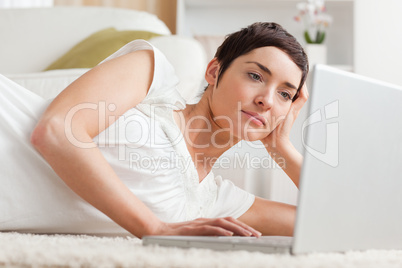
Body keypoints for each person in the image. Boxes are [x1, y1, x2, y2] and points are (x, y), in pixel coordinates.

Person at [0, 22, 308, 238]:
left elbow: (333, 224)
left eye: (285, 94)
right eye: (255, 75)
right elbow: (55, 131)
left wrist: (281, 147)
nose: (266, 100)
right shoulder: (152, 75)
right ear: (215, 71)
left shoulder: (214, 201)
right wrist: (153, 228)